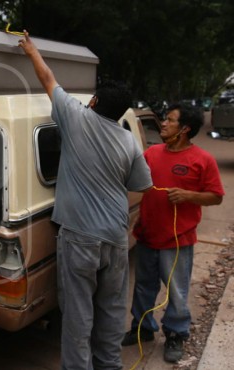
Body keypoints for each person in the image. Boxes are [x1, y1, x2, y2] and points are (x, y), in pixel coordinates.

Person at [18, 31, 153, 369]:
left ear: (93, 101)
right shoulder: (128, 141)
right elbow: (142, 184)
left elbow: (47, 78)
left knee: (78, 320)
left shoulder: (74, 117)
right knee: (110, 315)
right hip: (116, 239)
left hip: (79, 239)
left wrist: (30, 48)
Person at [122, 103, 224, 363]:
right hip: (147, 235)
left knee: (176, 290)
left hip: (177, 241)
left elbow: (216, 197)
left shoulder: (202, 160)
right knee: (143, 286)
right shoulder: (152, 153)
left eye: (169, 120)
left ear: (185, 129)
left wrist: (190, 195)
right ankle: (142, 328)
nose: (163, 124)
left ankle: (176, 333)